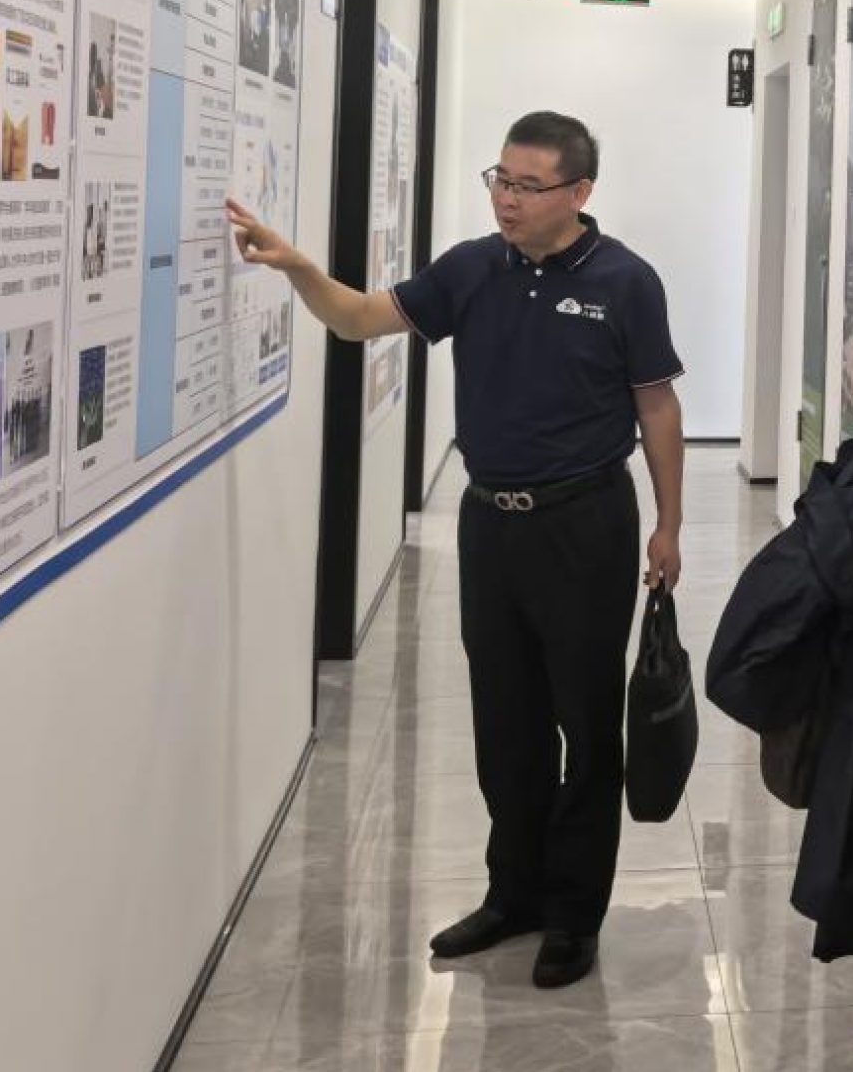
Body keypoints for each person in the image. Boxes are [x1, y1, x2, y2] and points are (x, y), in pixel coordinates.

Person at [226, 109, 685, 991]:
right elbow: (359, 319)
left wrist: (668, 522)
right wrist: (295, 267)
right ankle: (514, 892)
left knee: (587, 722)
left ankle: (573, 912)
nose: (506, 199)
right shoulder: (472, 267)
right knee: (504, 720)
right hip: (490, 522)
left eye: (528, 185)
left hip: (586, 522)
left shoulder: (627, 281)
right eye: (500, 179)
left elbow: (656, 405)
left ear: (578, 192)